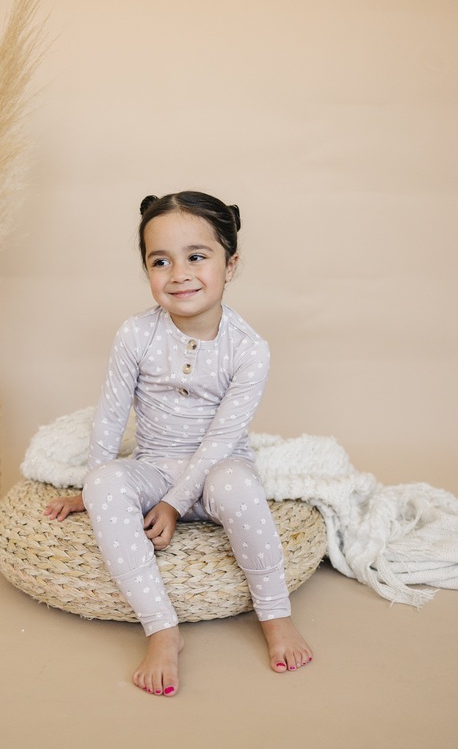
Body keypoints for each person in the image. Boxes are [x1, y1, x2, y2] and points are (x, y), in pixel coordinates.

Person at [44, 191, 313, 696]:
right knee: (105, 483)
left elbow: (222, 439)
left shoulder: (249, 349)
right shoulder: (135, 334)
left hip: (217, 468)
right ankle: (162, 630)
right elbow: (110, 414)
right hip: (153, 466)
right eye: (160, 261)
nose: (179, 274)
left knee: (236, 486)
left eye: (197, 257)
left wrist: (173, 503)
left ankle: (275, 614)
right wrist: (93, 486)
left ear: (231, 264)